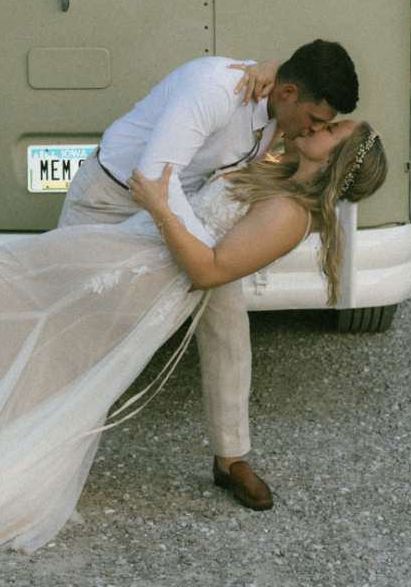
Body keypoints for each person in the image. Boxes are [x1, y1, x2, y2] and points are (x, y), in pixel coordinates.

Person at [0, 119, 386, 569]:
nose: (321, 123)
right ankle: (0, 474)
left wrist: (156, 205)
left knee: (17, 280)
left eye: (334, 130)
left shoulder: (290, 214)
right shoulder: (277, 173)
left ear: (339, 164)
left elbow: (210, 271)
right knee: (29, 309)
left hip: (143, 274)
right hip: (135, 252)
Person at [58, 40, 359, 509]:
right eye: (315, 120)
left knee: (228, 323)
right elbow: (153, 174)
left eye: (323, 126)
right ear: (288, 93)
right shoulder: (215, 93)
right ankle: (46, 447)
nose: (316, 129)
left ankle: (230, 457)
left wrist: (208, 259)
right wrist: (202, 255)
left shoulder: (276, 96)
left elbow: (293, 81)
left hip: (180, 213)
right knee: (76, 328)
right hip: (111, 200)